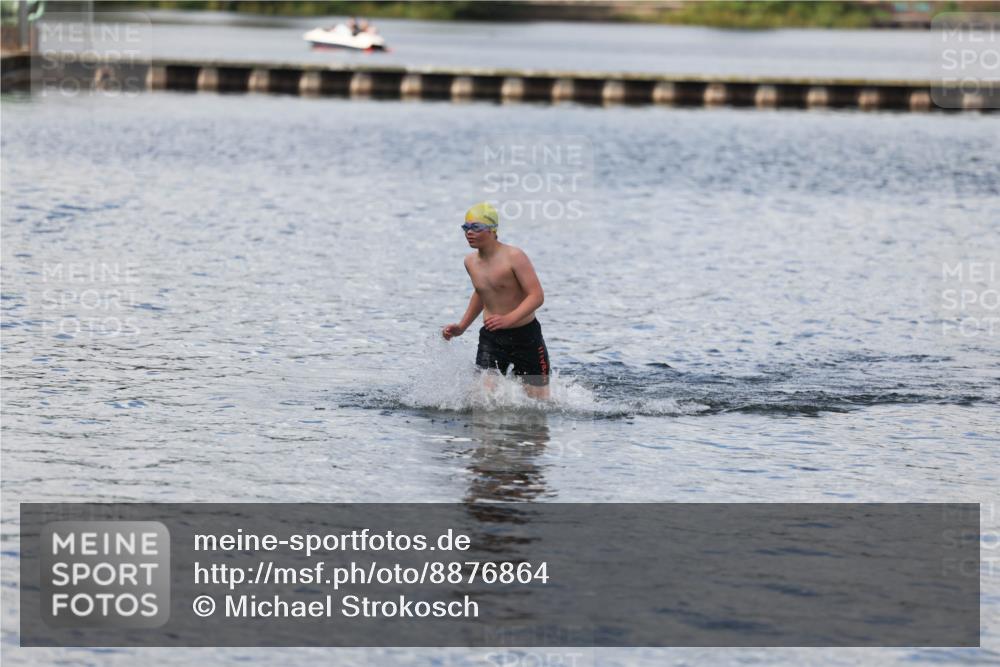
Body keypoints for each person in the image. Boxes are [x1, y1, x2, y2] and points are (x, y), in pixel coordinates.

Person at [442, 203, 551, 399]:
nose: (469, 233)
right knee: (482, 398)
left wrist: (509, 319)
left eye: (476, 227)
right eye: (466, 228)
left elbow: (536, 296)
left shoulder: (514, 257)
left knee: (540, 404)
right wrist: (462, 326)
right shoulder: (470, 262)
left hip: (527, 337)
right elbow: (481, 292)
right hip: (492, 338)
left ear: (493, 230)